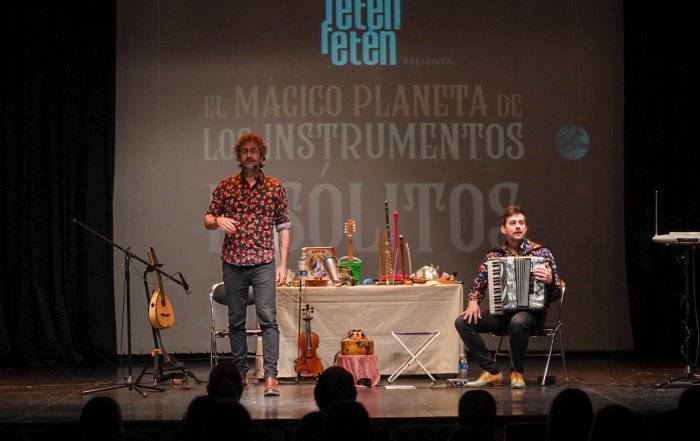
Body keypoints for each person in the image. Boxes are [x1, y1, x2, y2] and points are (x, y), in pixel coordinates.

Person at [204, 132, 290, 397]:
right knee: (236, 320)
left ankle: (271, 376)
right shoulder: (226, 186)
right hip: (234, 261)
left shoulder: (274, 187)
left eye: (254, 151)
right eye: (245, 151)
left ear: (261, 155)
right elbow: (207, 219)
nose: (249, 155)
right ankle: (240, 373)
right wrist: (218, 220)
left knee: (268, 318)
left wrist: (283, 265)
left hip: (263, 261)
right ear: (239, 156)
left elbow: (283, 226)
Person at [454, 205, 563, 388]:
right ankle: (492, 372)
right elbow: (480, 282)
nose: (518, 226)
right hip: (503, 313)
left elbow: (556, 294)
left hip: (532, 315)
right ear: (504, 229)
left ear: (526, 228)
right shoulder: (494, 256)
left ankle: (517, 373)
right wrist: (473, 301)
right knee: (462, 322)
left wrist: (551, 280)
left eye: (521, 223)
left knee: (518, 321)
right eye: (513, 223)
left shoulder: (542, 253)